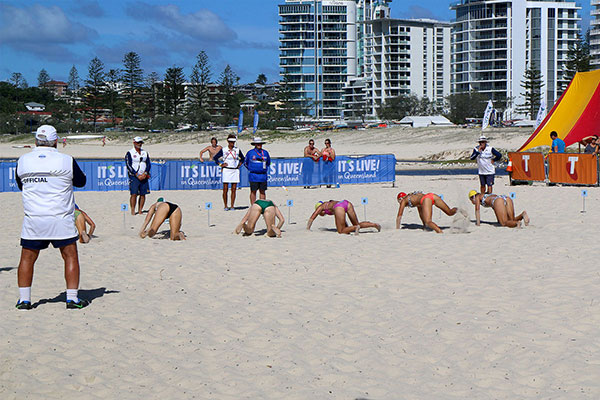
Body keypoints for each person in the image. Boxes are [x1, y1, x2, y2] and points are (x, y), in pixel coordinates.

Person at [15, 125, 89, 310]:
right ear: (56, 141)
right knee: (70, 255)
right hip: (59, 217)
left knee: (27, 258)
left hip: (34, 217)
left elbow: (20, 185)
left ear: (35, 141)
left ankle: (24, 300)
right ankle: (72, 299)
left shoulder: (23, 160)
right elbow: (81, 182)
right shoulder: (66, 160)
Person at [307, 200, 380, 235]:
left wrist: (308, 228)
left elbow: (312, 216)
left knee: (341, 231)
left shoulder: (321, 207)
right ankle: (374, 225)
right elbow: (342, 220)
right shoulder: (329, 203)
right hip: (346, 203)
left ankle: (355, 228)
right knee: (357, 223)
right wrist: (347, 227)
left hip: (339, 207)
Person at [213, 134, 245, 210]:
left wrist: (239, 164)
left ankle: (232, 205)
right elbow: (215, 158)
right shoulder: (224, 150)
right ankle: (226, 206)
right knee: (225, 189)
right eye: (231, 142)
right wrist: (221, 164)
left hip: (235, 170)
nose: (232, 143)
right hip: (226, 170)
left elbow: (243, 158)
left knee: (234, 189)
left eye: (233, 142)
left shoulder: (237, 150)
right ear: (228, 141)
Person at [125, 136, 151, 215]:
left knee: (143, 194)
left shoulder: (145, 152)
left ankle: (140, 210)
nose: (140, 144)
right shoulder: (130, 153)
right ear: (134, 143)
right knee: (134, 193)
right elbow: (128, 165)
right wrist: (136, 174)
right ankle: (133, 209)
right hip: (134, 176)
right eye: (138, 142)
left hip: (144, 176)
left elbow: (148, 164)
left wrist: (145, 173)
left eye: (141, 143)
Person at [244, 137, 271, 204]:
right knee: (253, 191)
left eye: (260, 144)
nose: (259, 145)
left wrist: (263, 169)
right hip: (253, 175)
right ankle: (253, 205)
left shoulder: (265, 152)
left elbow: (268, 162)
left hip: (263, 175)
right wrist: (252, 168)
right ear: (255, 144)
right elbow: (245, 163)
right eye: (258, 144)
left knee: (262, 191)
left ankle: (262, 205)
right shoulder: (250, 153)